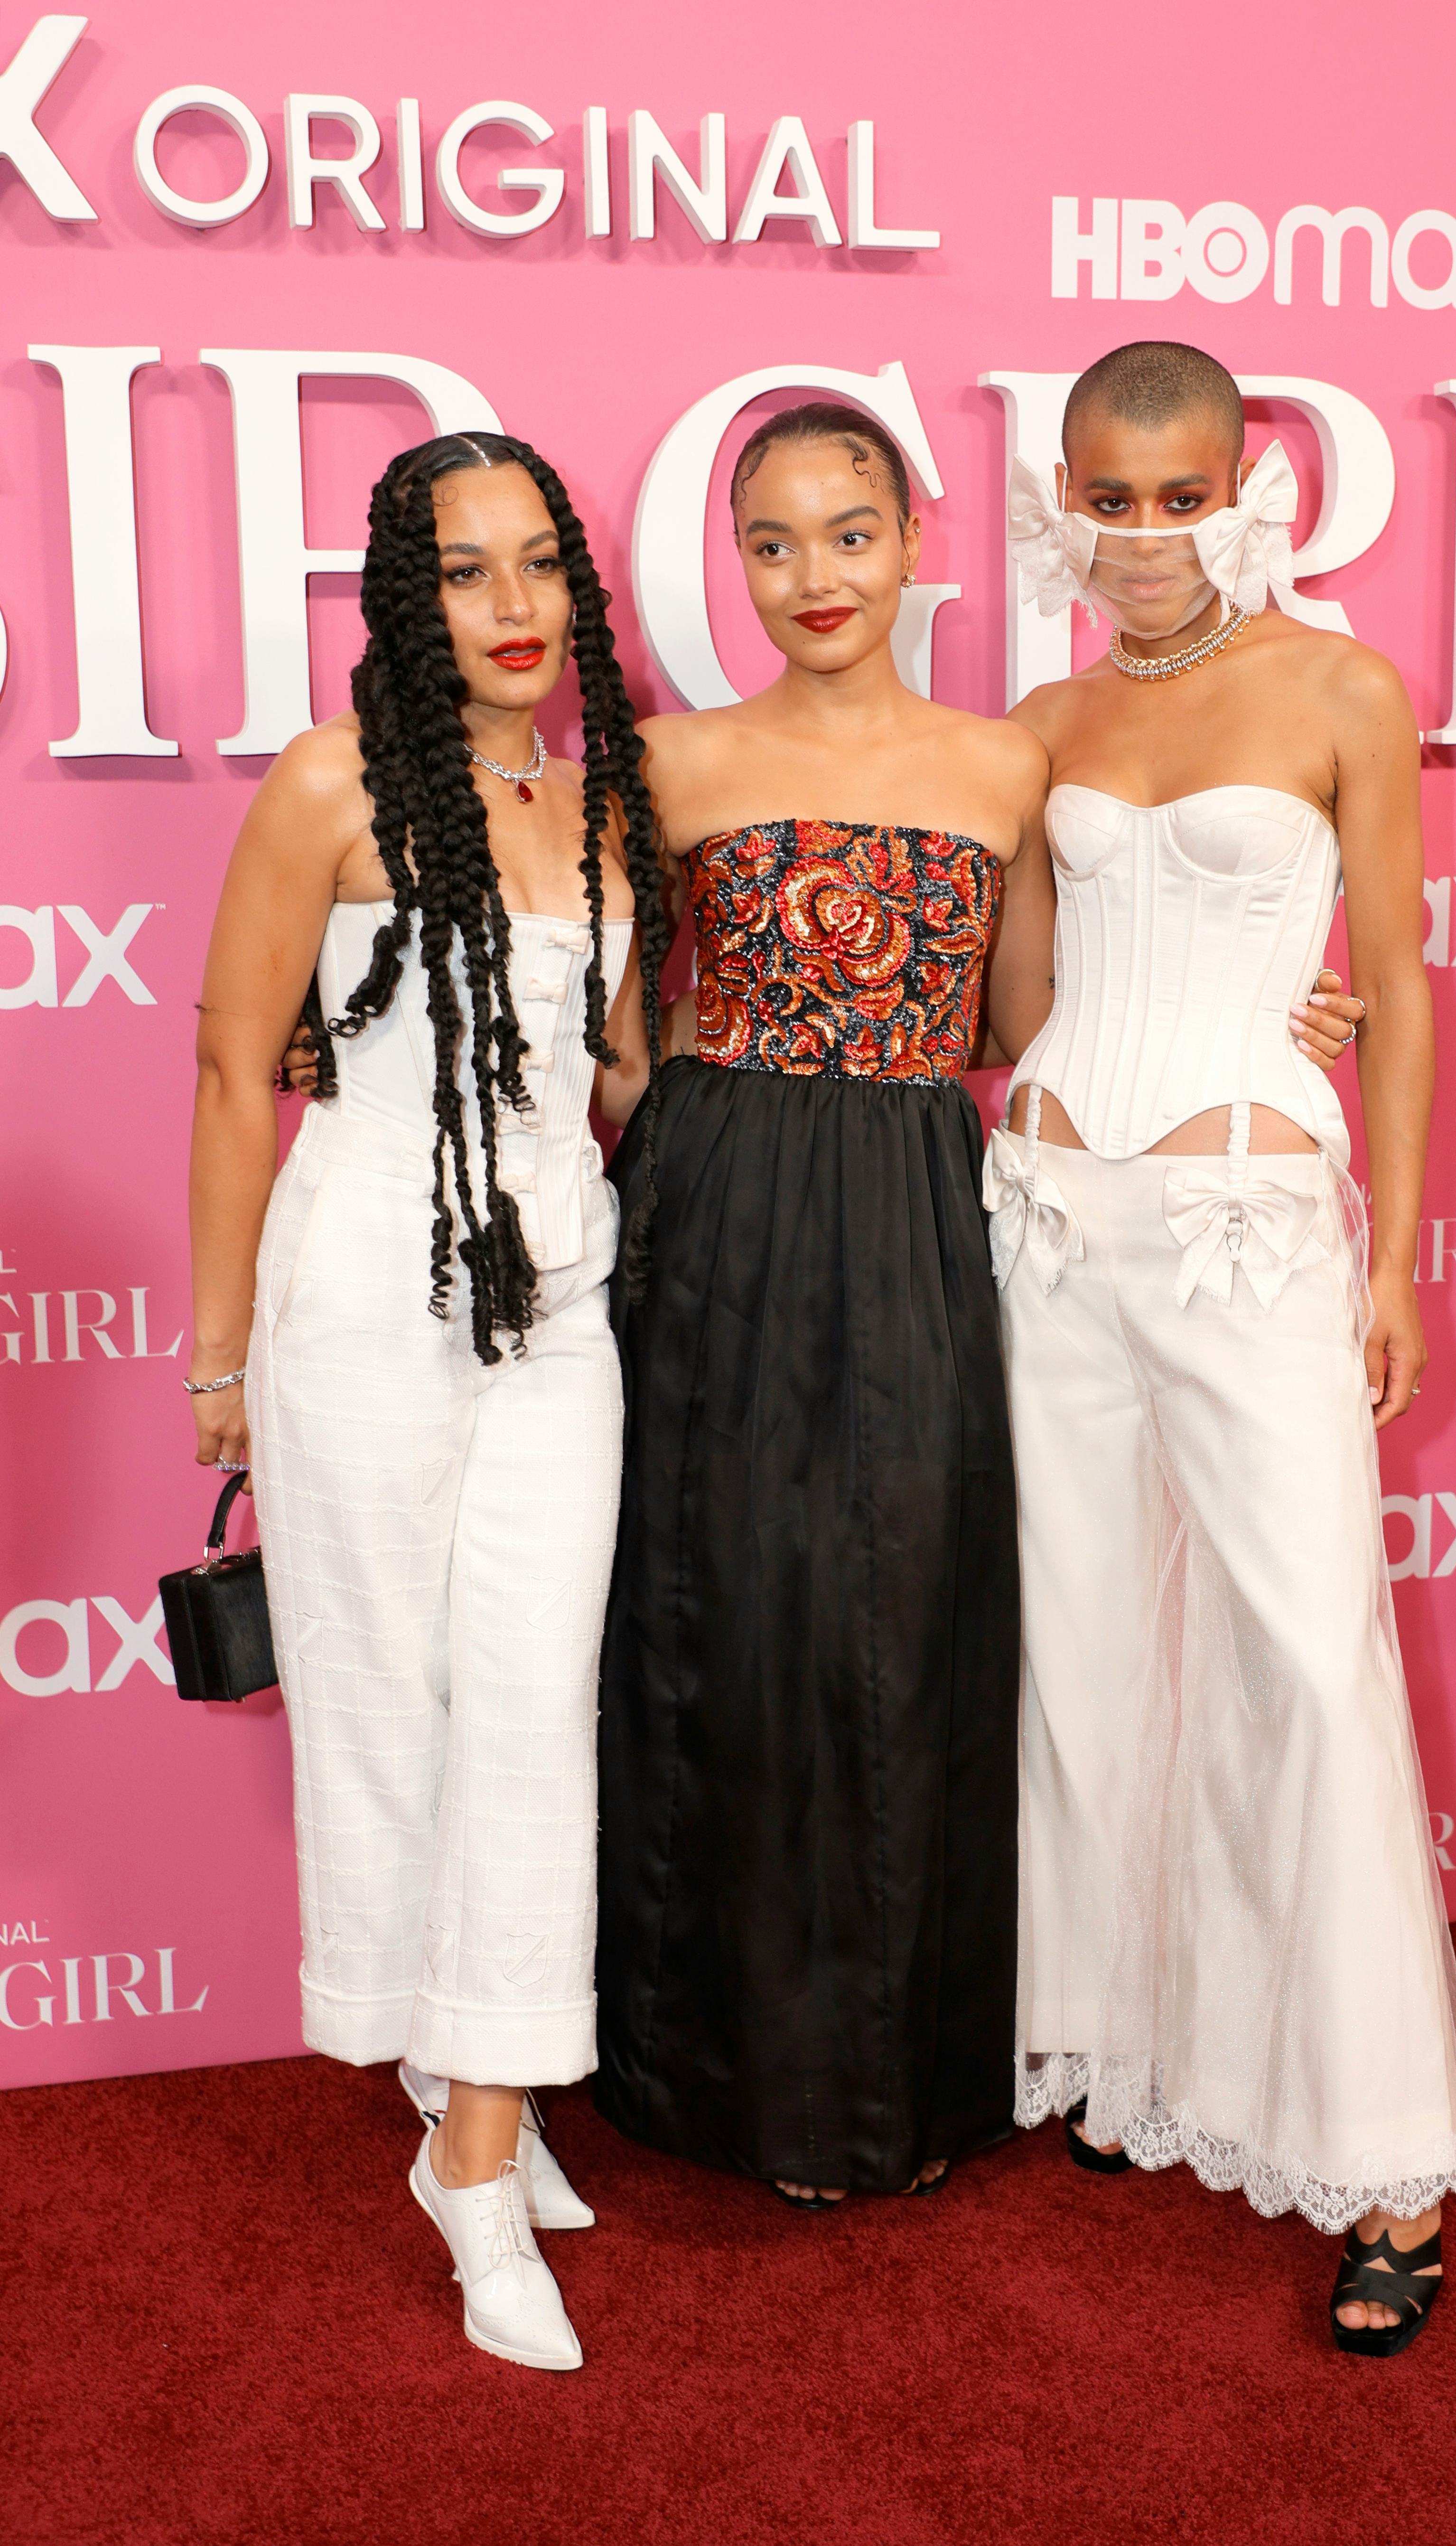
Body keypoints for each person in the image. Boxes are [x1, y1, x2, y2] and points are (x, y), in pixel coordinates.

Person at [989, 341, 1456, 2356]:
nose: (1141, 537)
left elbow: (1402, 986)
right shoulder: (1041, 713)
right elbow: (1023, 999)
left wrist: (1397, 1262)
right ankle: (1130, 2051)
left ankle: (1385, 2167)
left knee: (1305, 1651)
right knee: (1092, 1647)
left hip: (1251, 1226)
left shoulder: (1345, 689)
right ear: (1060, 497)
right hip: (1048, 1215)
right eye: (1105, 498)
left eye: (1177, 493)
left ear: (1250, 481)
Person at [187, 431, 666, 2371]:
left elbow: (613, 1075)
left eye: (542, 565)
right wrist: (217, 1353)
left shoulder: (599, 799)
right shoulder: (331, 787)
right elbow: (235, 1077)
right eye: (469, 573)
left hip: (562, 1293)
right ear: (405, 594)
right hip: (368, 1282)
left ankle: (478, 2145)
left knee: (540, 1702)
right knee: (392, 1701)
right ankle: (459, 2072)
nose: (518, 608)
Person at [585, 403, 1060, 2205]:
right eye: (772, 542)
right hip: (716, 1219)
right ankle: (737, 2084)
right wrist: (724, 1141)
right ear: (737, 556)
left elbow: (1024, 1032)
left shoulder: (999, 766)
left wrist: (1271, 1026)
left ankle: (905, 2085)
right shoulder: (672, 760)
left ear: (916, 534)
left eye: (848, 534)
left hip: (923, 1211)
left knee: (914, 1615)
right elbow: (618, 1035)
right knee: (737, 1622)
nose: (813, 577)